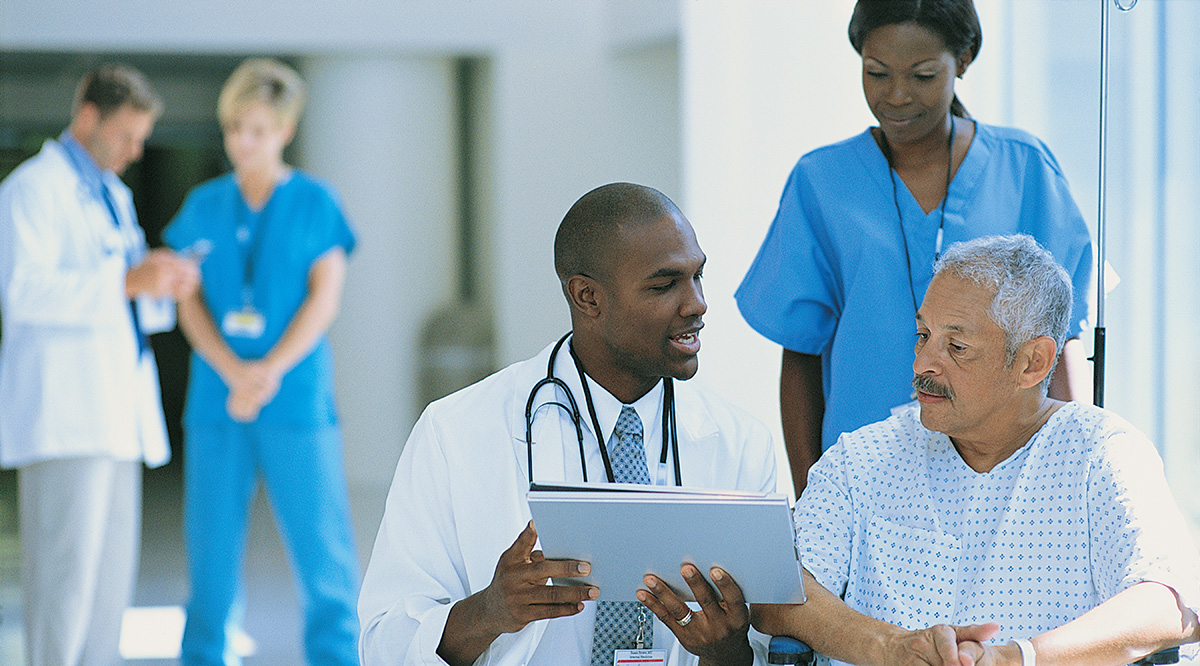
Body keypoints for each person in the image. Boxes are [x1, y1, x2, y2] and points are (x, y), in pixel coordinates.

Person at [358, 183, 777, 666]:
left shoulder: (742, 444)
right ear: (587, 297)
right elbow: (382, 643)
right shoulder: (456, 432)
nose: (697, 304)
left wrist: (728, 652)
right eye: (665, 285)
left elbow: (771, 648)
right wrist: (490, 611)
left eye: (698, 277)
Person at [752, 235, 1200, 666]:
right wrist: (890, 648)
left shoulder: (1102, 454)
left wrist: (1016, 658)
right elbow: (778, 592)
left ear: (1032, 363)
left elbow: (1169, 604)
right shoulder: (863, 458)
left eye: (957, 346)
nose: (923, 363)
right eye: (922, 335)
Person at [735, 0, 1094, 495]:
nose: (897, 96)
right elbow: (800, 352)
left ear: (963, 60)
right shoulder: (822, 181)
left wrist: (1073, 470)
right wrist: (811, 494)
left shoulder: (1024, 168)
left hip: (1009, 474)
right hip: (863, 476)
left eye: (923, 75)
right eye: (877, 73)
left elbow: (1061, 342)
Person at [161, 58, 359, 666]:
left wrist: (267, 370)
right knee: (211, 561)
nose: (242, 142)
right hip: (220, 403)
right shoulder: (204, 203)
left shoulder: (315, 203)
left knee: (324, 557)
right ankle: (204, 655)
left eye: (256, 129)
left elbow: (325, 299)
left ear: (285, 128)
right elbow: (185, 295)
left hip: (295, 399)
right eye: (233, 128)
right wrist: (232, 369)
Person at [0, 63, 199, 666]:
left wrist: (163, 281)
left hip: (116, 415)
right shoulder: (32, 190)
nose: (136, 151)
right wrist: (127, 279)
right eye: (126, 136)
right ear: (88, 118)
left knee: (111, 587)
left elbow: (127, 299)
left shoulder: (112, 195)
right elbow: (22, 293)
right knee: (64, 588)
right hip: (66, 418)